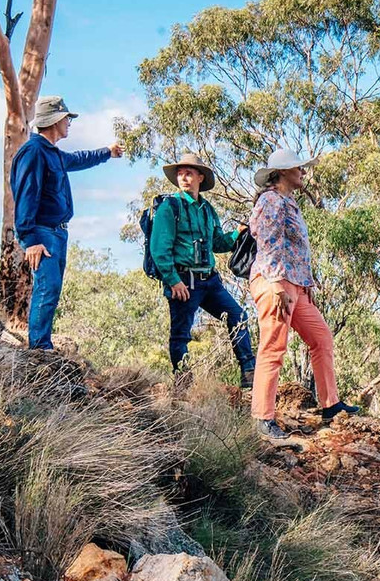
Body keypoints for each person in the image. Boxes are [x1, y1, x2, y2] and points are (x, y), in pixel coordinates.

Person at [248, 148, 358, 439]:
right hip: (275, 283)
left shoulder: (290, 202)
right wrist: (275, 285)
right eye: (299, 167)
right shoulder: (271, 200)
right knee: (273, 347)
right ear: (283, 172)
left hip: (296, 286)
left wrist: (305, 287)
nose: (303, 172)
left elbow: (295, 250)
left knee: (321, 337)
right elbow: (268, 243)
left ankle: (330, 405)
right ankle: (262, 418)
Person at [10, 96, 124, 349]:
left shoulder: (52, 154)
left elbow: (79, 159)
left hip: (57, 233)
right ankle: (39, 350)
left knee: (52, 290)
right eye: (67, 118)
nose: (69, 123)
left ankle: (42, 345)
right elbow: (26, 196)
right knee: (47, 289)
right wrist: (31, 241)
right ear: (55, 120)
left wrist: (108, 152)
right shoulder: (34, 152)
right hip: (42, 234)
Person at [149, 153, 256, 388]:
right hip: (183, 281)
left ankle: (249, 375)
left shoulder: (207, 209)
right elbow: (159, 248)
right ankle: (184, 385)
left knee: (238, 317)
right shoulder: (170, 207)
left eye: (189, 173)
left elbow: (217, 243)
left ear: (200, 177)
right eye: (180, 173)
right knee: (181, 334)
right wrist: (172, 280)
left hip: (211, 281)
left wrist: (237, 234)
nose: (184, 178)